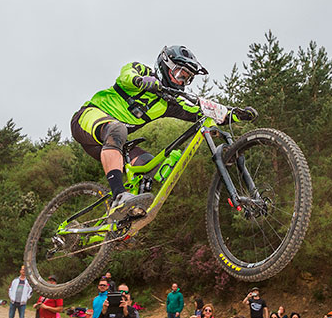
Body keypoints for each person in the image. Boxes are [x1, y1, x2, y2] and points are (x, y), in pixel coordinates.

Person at [70, 45, 255, 220]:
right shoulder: (141, 71)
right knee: (118, 129)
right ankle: (119, 196)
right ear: (165, 67)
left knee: (151, 166)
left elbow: (202, 112)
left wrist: (235, 115)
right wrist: (142, 82)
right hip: (87, 120)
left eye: (187, 78)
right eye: (180, 74)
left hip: (113, 145)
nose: (182, 82)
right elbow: (127, 75)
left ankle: (126, 218)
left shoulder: (169, 103)